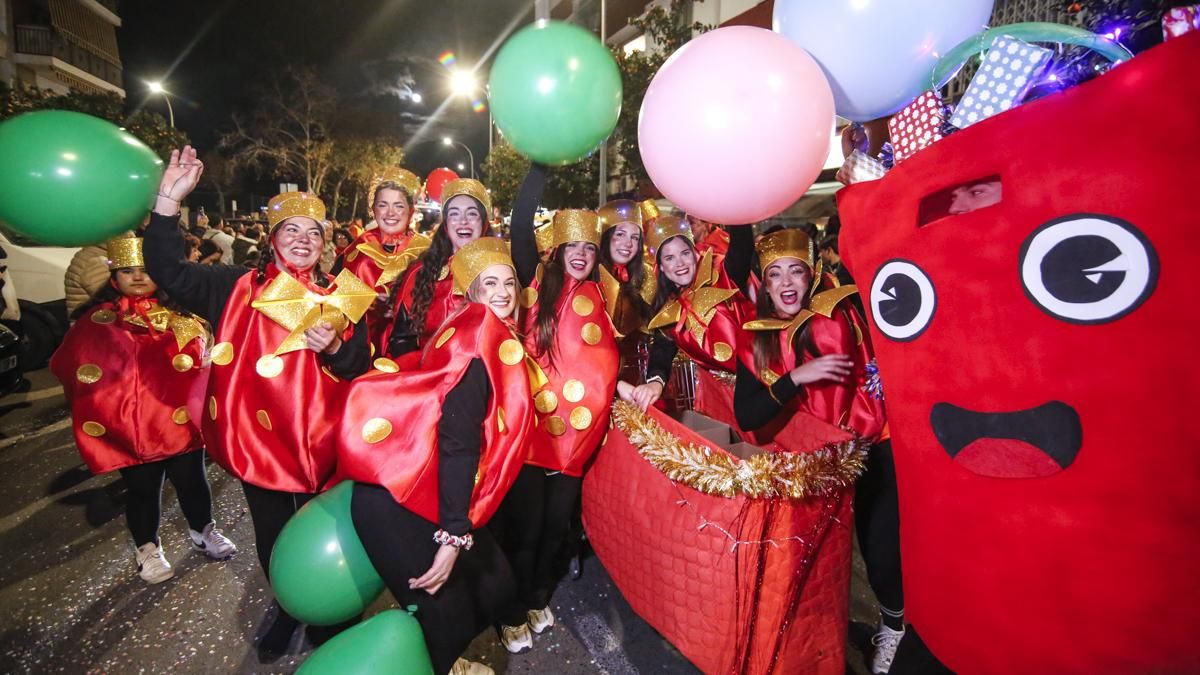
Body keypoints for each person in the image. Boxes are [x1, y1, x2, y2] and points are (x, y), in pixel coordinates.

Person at [143, 146, 373, 660]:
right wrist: (167, 202)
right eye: (292, 230)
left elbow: (360, 365)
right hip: (260, 444)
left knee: (330, 534)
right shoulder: (234, 286)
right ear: (272, 241)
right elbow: (167, 270)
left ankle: (332, 612)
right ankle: (289, 607)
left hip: (327, 445)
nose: (304, 240)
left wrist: (336, 347)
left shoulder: (342, 295)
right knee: (273, 536)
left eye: (314, 233)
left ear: (326, 245)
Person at [337, 237, 535, 675]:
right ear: (472, 292)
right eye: (489, 284)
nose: (502, 292)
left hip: (421, 487)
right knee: (442, 616)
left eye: (509, 282)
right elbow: (458, 442)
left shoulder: (471, 323)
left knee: (495, 582)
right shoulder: (479, 342)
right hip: (401, 501)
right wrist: (451, 537)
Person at [732, 228, 899, 674]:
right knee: (820, 564)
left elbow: (872, 252)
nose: (786, 281)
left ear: (812, 276)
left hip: (873, 445)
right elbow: (747, 413)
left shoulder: (844, 309)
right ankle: (817, 645)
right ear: (764, 285)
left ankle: (894, 631)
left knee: (882, 552)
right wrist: (798, 378)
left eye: (796, 271)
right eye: (775, 274)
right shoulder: (757, 338)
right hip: (816, 465)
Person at [50, 236, 236, 584]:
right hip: (131, 427)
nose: (137, 277)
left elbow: (205, 364)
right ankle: (147, 548)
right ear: (113, 276)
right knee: (143, 491)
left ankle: (203, 530)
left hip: (179, 424)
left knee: (192, 482)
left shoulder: (183, 316)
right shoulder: (96, 322)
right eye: (128, 270)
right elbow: (70, 366)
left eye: (146, 269)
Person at [496, 166, 619, 654]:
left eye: (590, 248)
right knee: (523, 531)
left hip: (575, 445)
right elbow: (520, 226)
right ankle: (511, 609)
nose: (583, 256)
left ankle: (536, 597)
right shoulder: (533, 285)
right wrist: (538, 167)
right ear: (559, 250)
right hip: (532, 436)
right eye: (575, 248)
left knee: (553, 532)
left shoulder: (604, 297)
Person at [621, 209, 755, 411]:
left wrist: (734, 203)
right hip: (719, 400)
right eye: (669, 258)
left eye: (685, 253)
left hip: (761, 386)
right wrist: (655, 382)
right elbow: (661, 355)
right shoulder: (668, 312)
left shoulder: (723, 275)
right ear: (662, 267)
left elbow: (742, 248)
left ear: (695, 253)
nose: (680, 263)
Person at [385, 178, 490, 356]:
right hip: (430, 374)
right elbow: (402, 340)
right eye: (454, 214)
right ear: (446, 224)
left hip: (487, 374)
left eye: (472, 214)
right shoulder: (421, 272)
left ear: (484, 222)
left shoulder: (501, 270)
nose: (463, 221)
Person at [334, 169, 431, 354]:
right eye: (383, 205)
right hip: (361, 350)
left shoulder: (427, 251)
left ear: (411, 210)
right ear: (373, 210)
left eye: (399, 206)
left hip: (412, 350)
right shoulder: (355, 250)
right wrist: (369, 305)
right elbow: (335, 305)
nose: (390, 213)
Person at [596, 199, 655, 382]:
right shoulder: (590, 277)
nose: (628, 243)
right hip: (596, 380)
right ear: (605, 236)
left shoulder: (645, 276)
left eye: (635, 237)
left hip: (636, 381)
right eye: (620, 234)